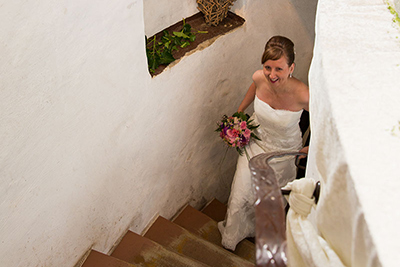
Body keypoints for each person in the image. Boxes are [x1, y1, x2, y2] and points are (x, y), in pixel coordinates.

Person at [218, 36, 309, 251]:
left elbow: (324, 120)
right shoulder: (260, 78)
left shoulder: (304, 94)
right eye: (268, 67)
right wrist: (239, 112)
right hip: (255, 144)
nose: (272, 75)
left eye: (279, 69)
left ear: (291, 67)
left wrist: (310, 146)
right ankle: (232, 236)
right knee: (241, 193)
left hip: (283, 152)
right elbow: (253, 88)